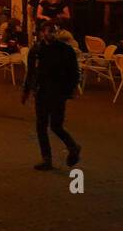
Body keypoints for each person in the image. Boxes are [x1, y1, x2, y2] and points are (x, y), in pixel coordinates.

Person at [22, 21, 82, 171]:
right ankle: (47, 158)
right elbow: (31, 72)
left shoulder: (65, 50)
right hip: (41, 91)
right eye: (47, 31)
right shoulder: (36, 50)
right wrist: (27, 90)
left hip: (58, 92)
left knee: (56, 125)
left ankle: (73, 147)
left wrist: (70, 90)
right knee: (41, 126)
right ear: (41, 33)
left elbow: (74, 72)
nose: (50, 34)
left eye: (53, 31)